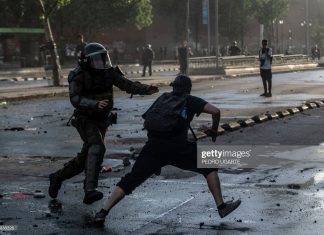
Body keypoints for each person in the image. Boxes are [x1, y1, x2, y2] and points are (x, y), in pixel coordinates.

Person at [93, 75, 241, 225]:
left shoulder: (163, 98)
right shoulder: (189, 100)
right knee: (209, 166)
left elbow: (150, 120)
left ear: (173, 87)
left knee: (130, 180)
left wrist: (154, 160)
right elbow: (215, 111)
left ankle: (102, 212)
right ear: (188, 89)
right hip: (179, 148)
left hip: (154, 147)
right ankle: (221, 207)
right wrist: (214, 130)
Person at [48, 42, 159, 205]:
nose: (101, 62)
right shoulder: (78, 75)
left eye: (102, 58)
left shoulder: (108, 73)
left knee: (86, 158)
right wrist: (94, 104)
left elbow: (126, 84)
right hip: (85, 119)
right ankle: (89, 191)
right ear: (87, 61)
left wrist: (146, 89)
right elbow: (75, 99)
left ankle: (57, 177)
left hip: (102, 120)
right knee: (98, 147)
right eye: (96, 60)